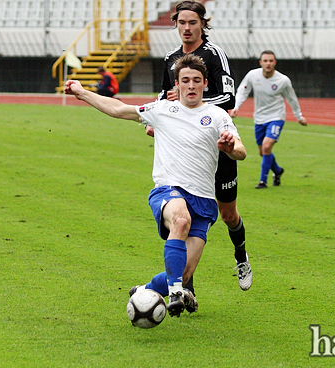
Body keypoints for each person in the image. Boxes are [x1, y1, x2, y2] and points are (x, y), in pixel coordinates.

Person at [64, 54, 247, 317]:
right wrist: (82, 93)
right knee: (180, 221)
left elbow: (240, 151)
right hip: (169, 189)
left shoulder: (217, 115)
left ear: (206, 84)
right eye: (185, 80)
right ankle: (175, 292)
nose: (192, 85)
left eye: (197, 80)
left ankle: (145, 290)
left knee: (183, 271)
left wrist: (231, 148)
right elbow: (118, 109)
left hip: (205, 202)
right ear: (177, 85)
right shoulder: (162, 110)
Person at [150, 0, 253, 294]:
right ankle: (183, 285)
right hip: (185, 151)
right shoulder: (170, 59)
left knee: (228, 215)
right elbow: (162, 98)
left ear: (203, 25)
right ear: (175, 24)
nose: (187, 28)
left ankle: (241, 255)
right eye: (181, 22)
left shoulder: (214, 54)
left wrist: (193, 104)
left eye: (192, 23)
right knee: (181, 218)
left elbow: (229, 99)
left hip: (217, 144)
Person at [230, 50, 307, 188]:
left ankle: (262, 181)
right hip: (259, 118)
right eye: (265, 61)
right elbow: (243, 90)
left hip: (276, 117)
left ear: (275, 63)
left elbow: (292, 98)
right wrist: (236, 107)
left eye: (271, 61)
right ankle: (277, 171)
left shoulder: (282, 80)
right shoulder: (253, 75)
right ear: (261, 63)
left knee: (266, 146)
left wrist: (299, 116)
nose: (268, 63)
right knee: (263, 151)